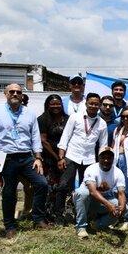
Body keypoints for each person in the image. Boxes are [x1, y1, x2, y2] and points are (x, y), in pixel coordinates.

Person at [0, 83, 49, 238]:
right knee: (9, 192)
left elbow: (35, 137)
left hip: (26, 157)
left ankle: (37, 218)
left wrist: (38, 157)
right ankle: (10, 225)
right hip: (5, 157)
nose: (15, 94)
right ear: (6, 94)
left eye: (18, 92)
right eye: (12, 91)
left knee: (41, 184)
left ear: (22, 95)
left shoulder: (29, 114)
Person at [53, 93, 107, 223]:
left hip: (89, 160)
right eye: (91, 103)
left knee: (87, 189)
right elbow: (65, 137)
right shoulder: (75, 117)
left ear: (99, 106)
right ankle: (58, 215)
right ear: (86, 103)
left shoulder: (102, 123)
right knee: (63, 185)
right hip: (72, 156)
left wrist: (100, 165)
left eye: (96, 104)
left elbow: (103, 146)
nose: (93, 106)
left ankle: (83, 216)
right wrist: (61, 158)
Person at [73, 146, 126, 238]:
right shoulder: (91, 169)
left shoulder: (118, 172)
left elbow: (121, 194)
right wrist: (109, 205)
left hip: (102, 201)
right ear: (98, 158)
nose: (106, 160)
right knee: (83, 193)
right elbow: (92, 192)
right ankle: (81, 227)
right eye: (103, 157)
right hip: (87, 200)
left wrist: (121, 208)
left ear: (113, 159)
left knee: (124, 207)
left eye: (109, 158)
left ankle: (98, 225)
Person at [37, 93, 68, 220]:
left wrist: (64, 157)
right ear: (47, 105)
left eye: (58, 103)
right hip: (49, 158)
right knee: (49, 187)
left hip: (65, 158)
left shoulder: (67, 119)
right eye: (53, 104)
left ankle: (60, 213)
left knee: (63, 186)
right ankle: (47, 215)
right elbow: (43, 141)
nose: (56, 106)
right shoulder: (42, 119)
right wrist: (58, 158)